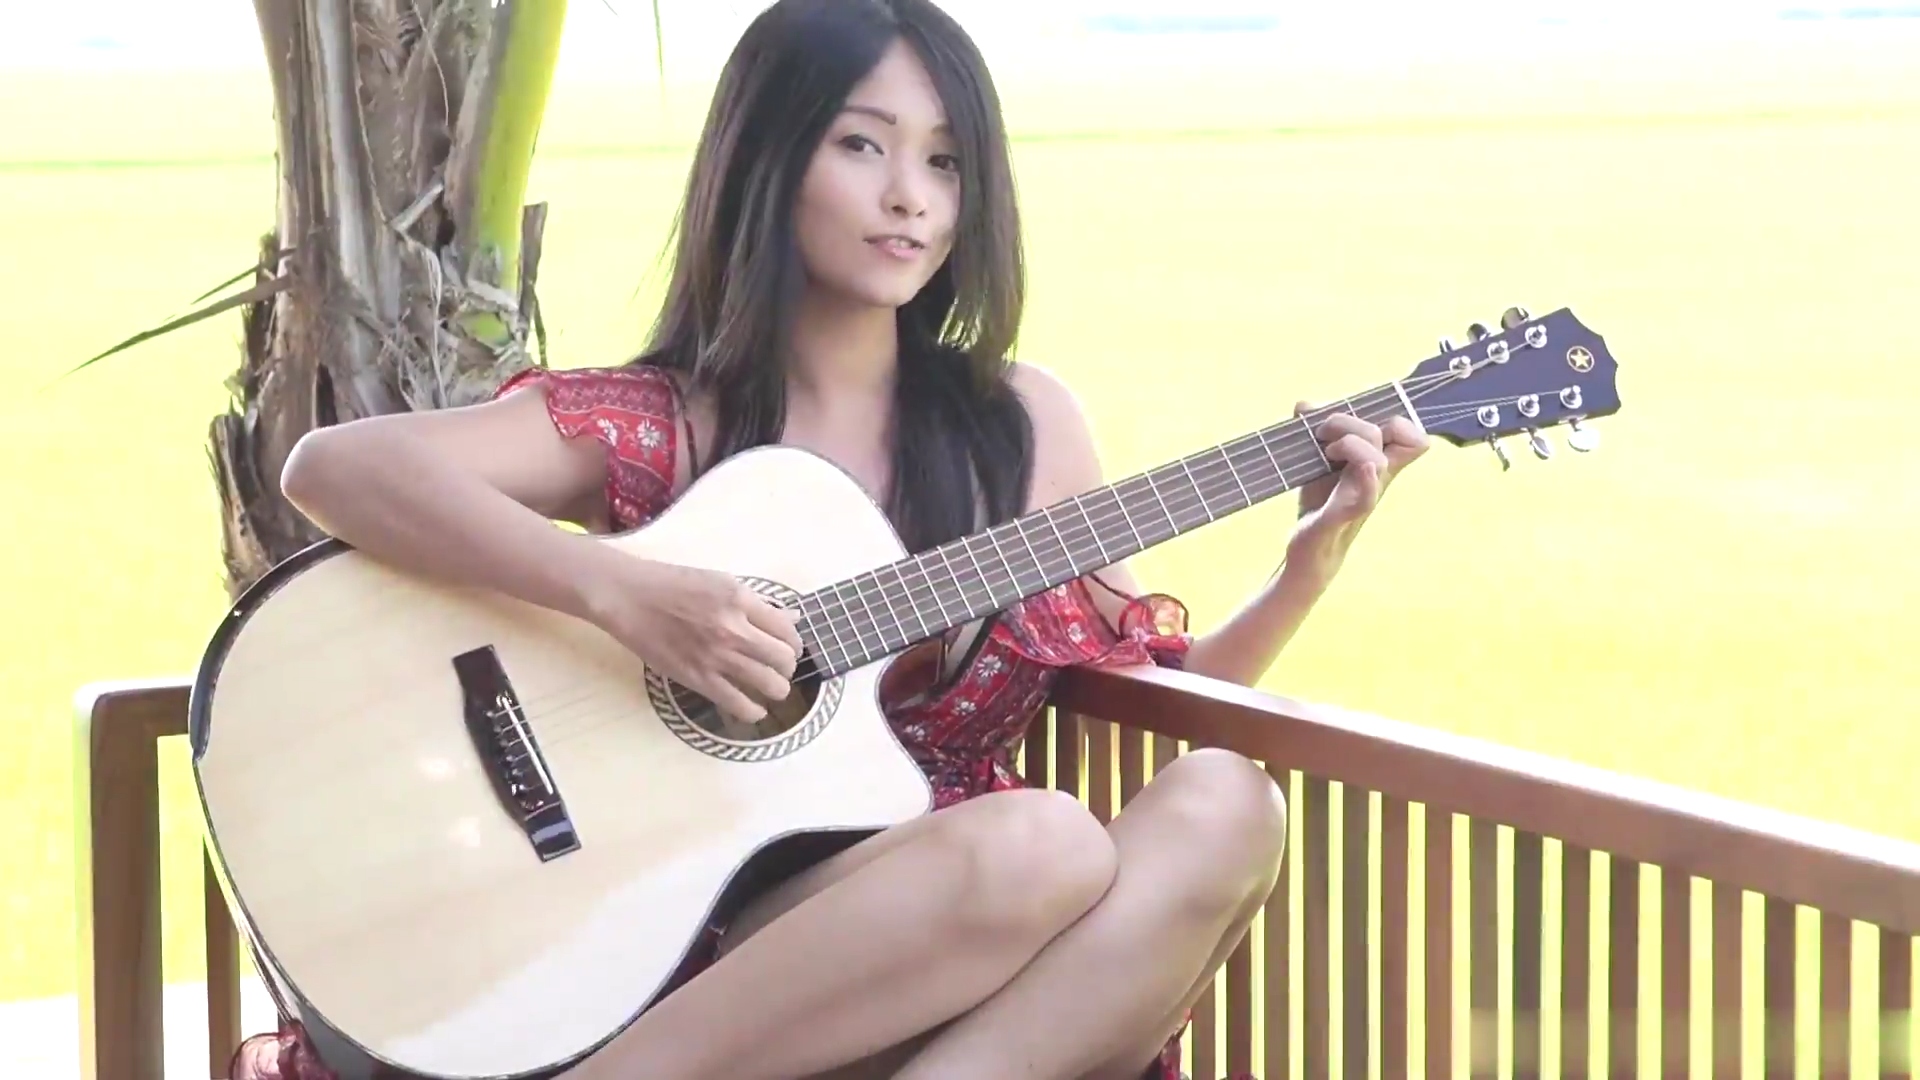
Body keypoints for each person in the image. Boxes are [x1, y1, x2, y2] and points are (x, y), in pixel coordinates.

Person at [228, 1, 1428, 1078]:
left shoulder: (1022, 428)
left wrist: (1307, 564)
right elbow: (334, 469)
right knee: (1037, 842)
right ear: (769, 157)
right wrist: (622, 596)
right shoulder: (669, 422)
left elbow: (1165, 693)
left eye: (945, 161)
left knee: (1229, 804)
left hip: (980, 982)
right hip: (716, 968)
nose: (911, 195)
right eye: (864, 145)